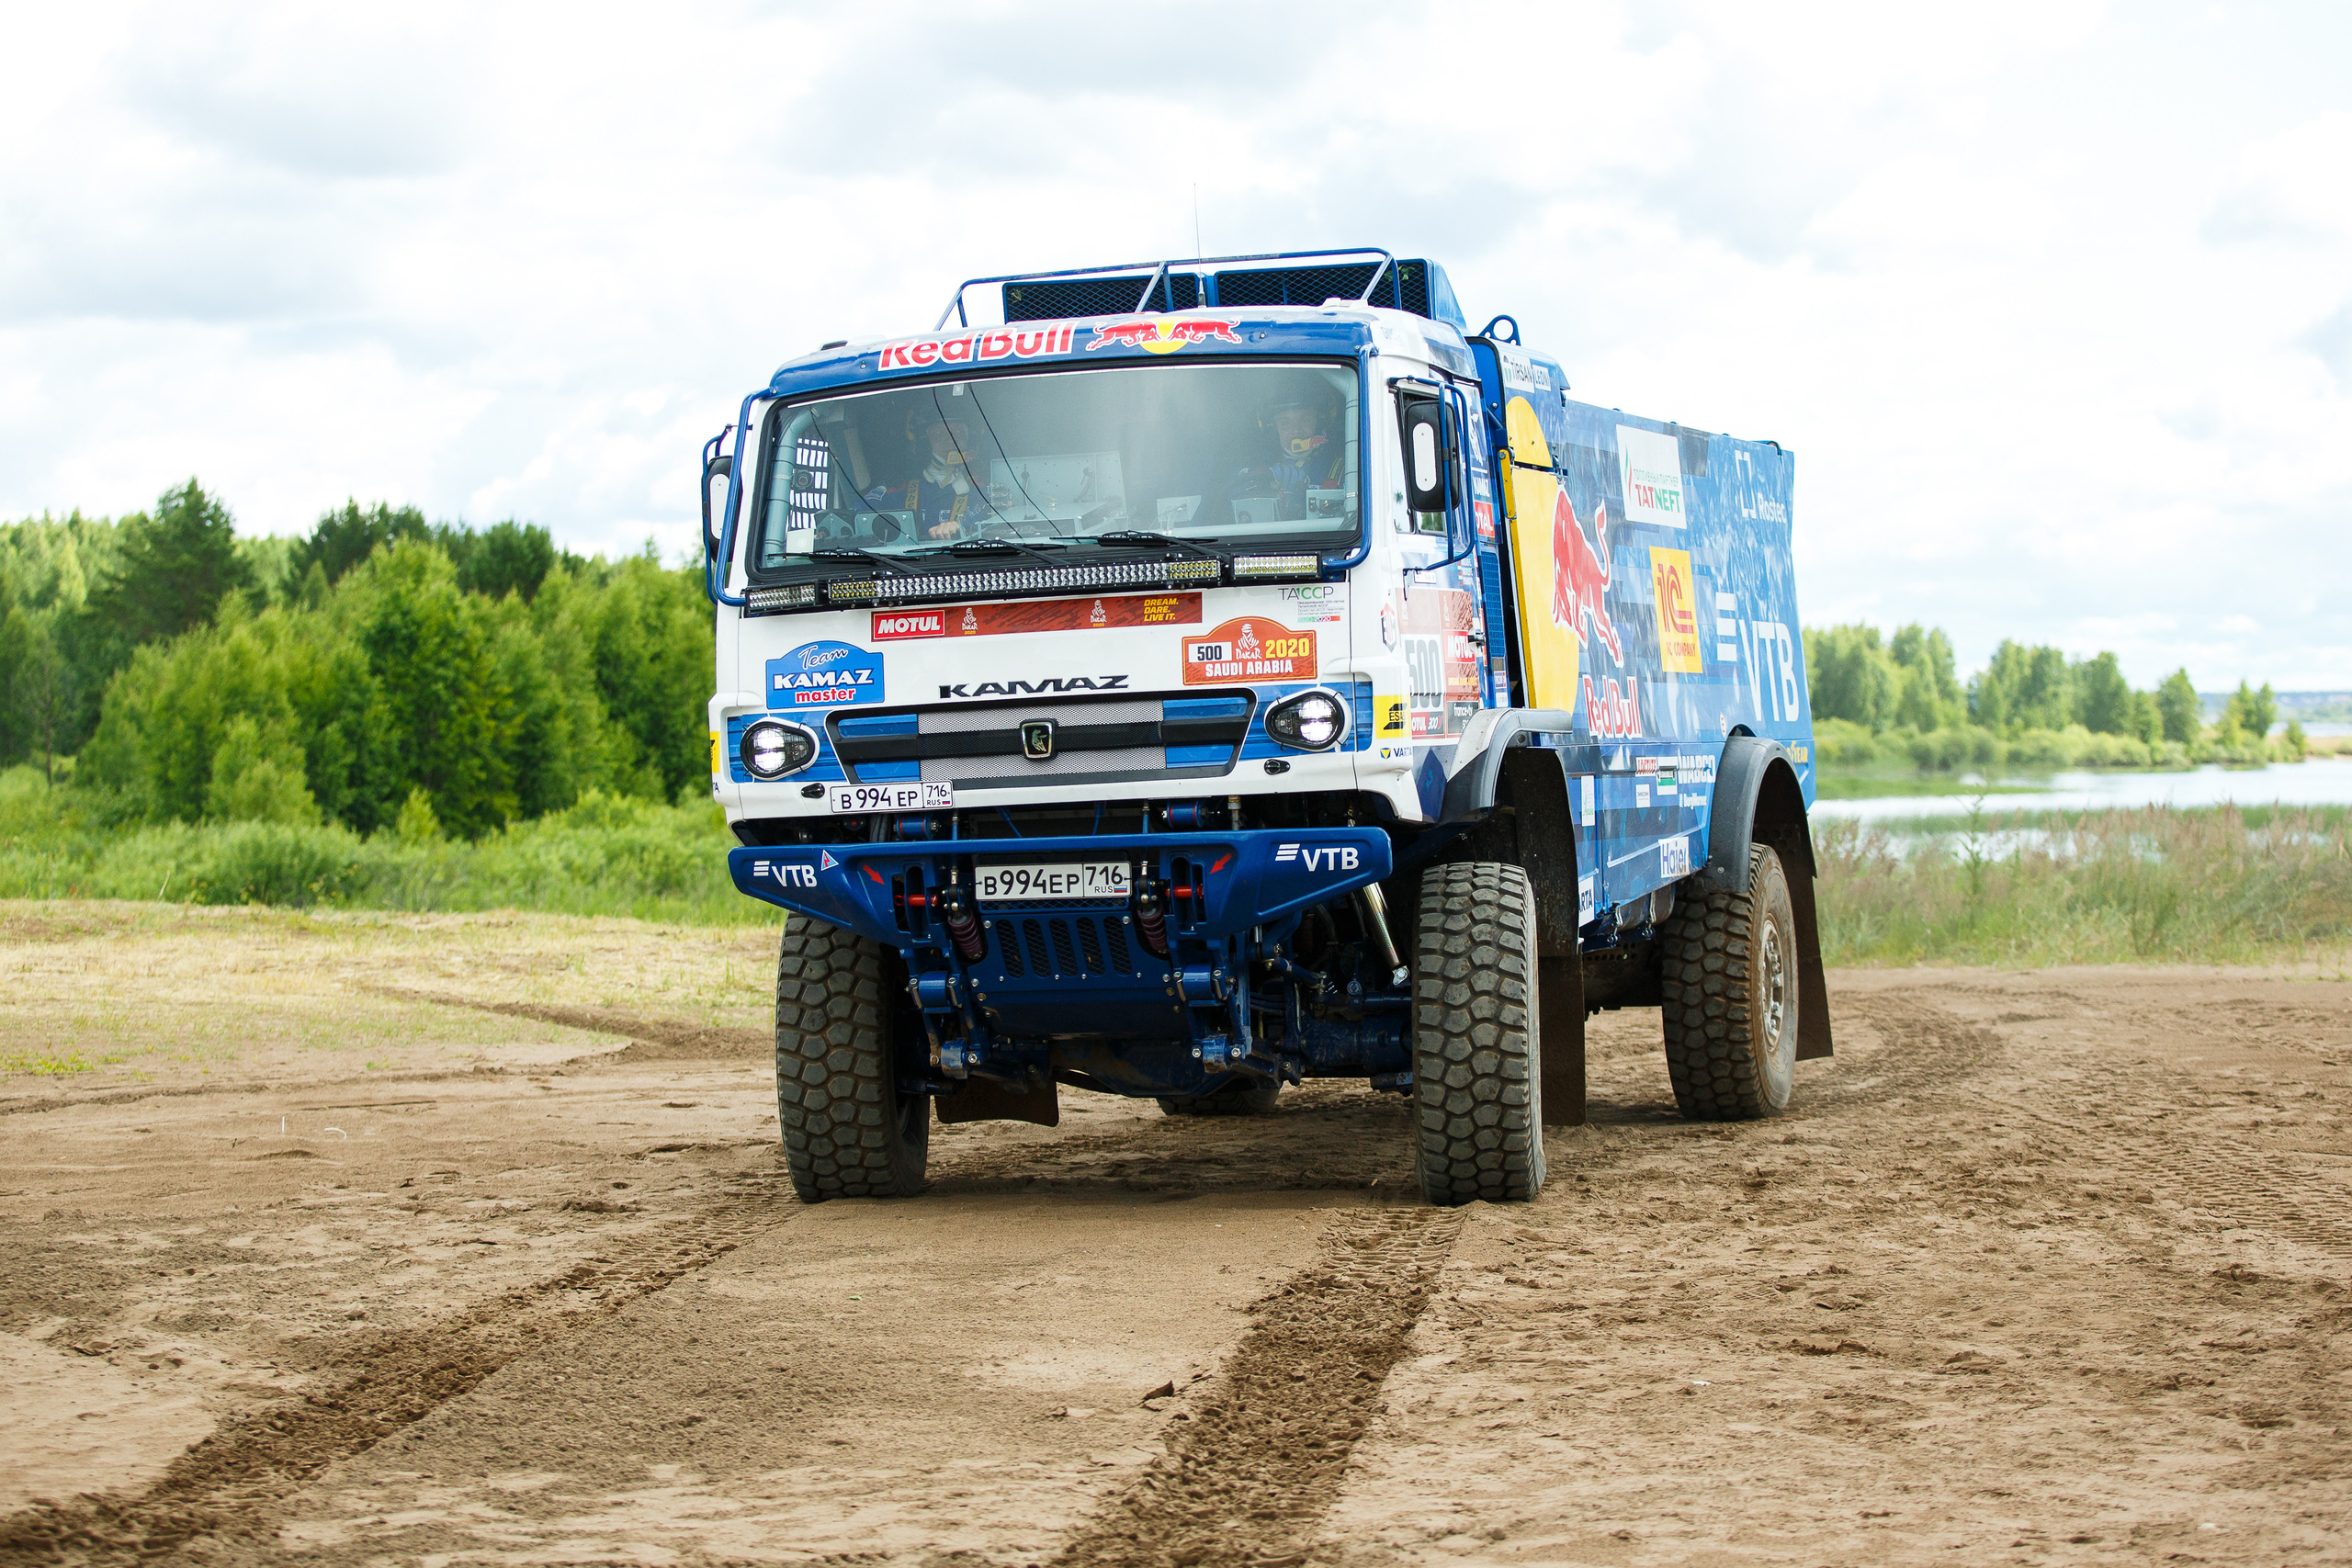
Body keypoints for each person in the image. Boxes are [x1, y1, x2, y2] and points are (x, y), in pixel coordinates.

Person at [864, 414, 996, 540]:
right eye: (939, 434)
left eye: (959, 433)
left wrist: (962, 527)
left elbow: (1000, 524)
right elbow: (859, 518)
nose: (951, 440)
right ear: (924, 443)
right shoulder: (897, 490)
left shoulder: (985, 492)